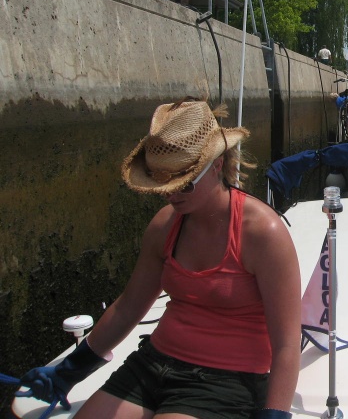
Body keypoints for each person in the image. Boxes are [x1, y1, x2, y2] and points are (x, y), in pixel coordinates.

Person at [17, 98, 301, 419]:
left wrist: (275, 413)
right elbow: (128, 308)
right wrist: (70, 370)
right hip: (152, 363)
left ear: (217, 165)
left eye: (183, 184)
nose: (170, 195)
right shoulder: (164, 226)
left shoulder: (264, 233)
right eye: (161, 185)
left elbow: (287, 344)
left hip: (224, 380)